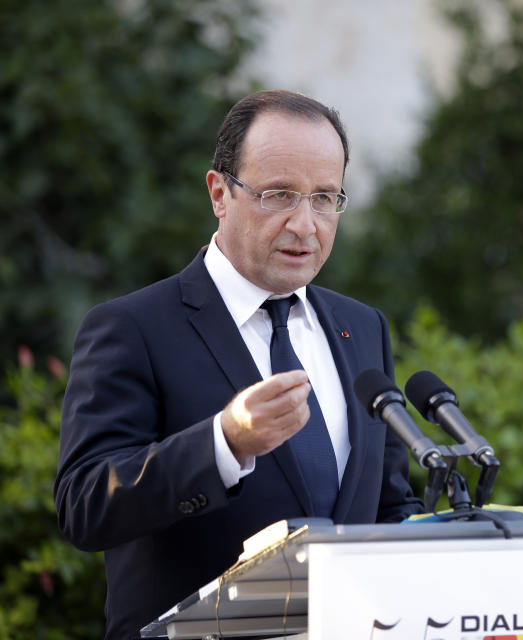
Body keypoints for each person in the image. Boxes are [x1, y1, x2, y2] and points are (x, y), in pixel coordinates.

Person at [54, 90, 423, 639]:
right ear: (219, 193)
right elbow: (85, 505)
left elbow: (386, 501)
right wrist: (224, 443)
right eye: (279, 195)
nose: (306, 224)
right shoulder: (133, 328)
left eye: (325, 198)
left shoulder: (362, 327)